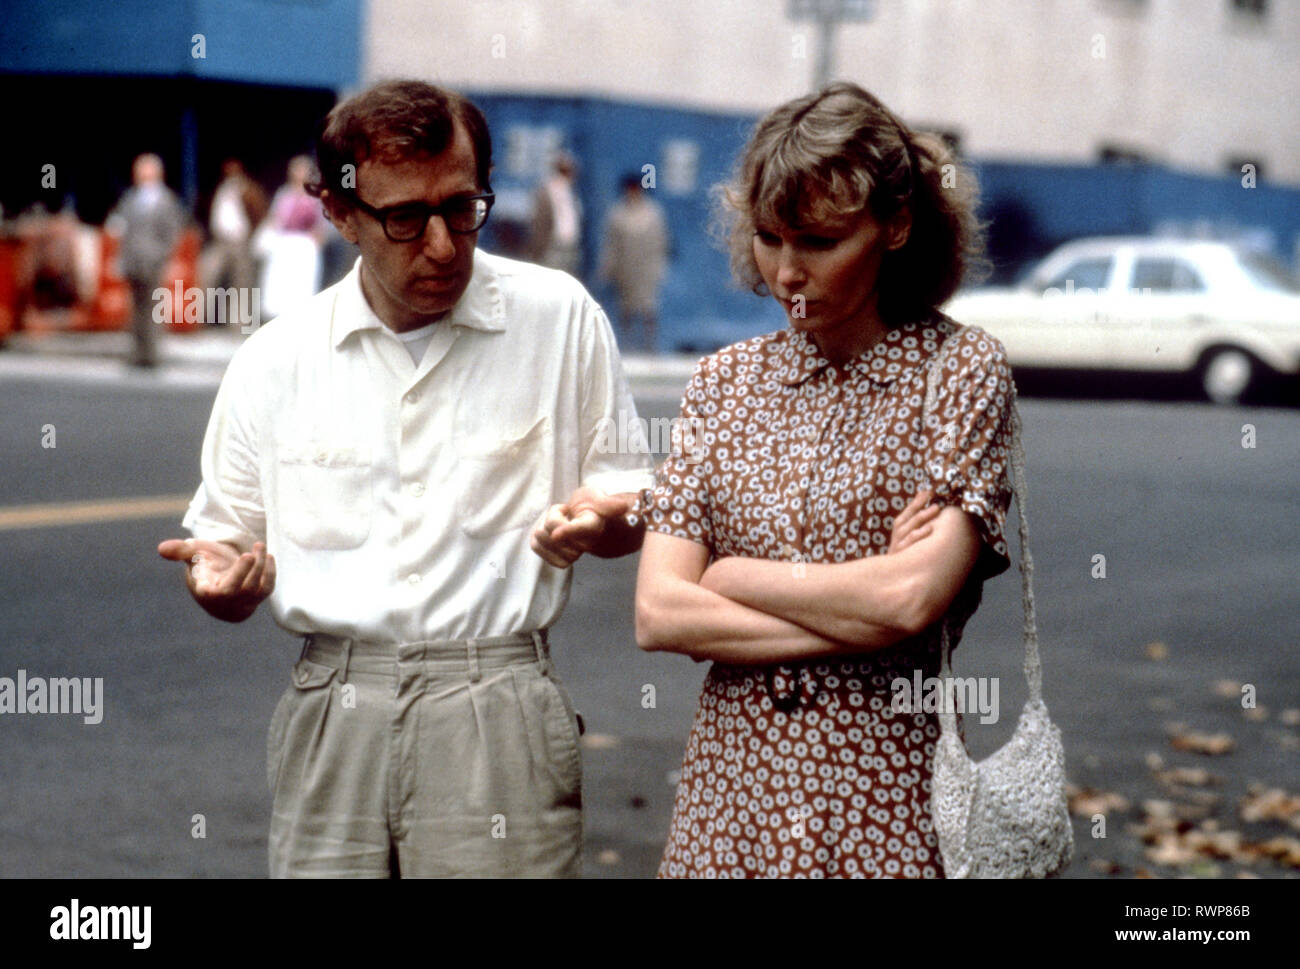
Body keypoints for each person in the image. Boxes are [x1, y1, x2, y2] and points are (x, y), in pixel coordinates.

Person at [157, 80, 655, 878]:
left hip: (497, 703)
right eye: (403, 217)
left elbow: (630, 494)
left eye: (462, 208)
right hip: (334, 705)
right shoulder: (276, 360)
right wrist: (222, 584)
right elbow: (222, 541)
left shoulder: (559, 319)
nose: (442, 245)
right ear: (338, 213)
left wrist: (612, 521)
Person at [634, 81, 1013, 878]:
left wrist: (732, 575)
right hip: (729, 801)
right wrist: (865, 608)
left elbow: (911, 600)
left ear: (897, 225)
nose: (788, 270)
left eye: (819, 240)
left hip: (887, 798)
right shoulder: (722, 381)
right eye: (770, 237)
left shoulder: (959, 371)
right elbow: (661, 610)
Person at [106, 154, 186, 367]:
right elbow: (123, 231)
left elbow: (172, 233)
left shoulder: (166, 200)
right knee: (136, 308)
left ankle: (152, 354)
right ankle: (137, 352)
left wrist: (162, 256)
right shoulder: (131, 198)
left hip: (154, 262)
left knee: (153, 309)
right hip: (133, 261)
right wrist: (120, 260)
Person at [598, 174, 669, 353]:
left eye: (635, 189)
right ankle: (625, 345)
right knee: (626, 309)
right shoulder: (617, 213)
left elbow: (661, 242)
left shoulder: (653, 213)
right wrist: (607, 267)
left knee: (648, 309)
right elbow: (611, 244)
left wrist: (659, 267)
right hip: (626, 269)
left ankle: (650, 346)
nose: (632, 193)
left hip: (647, 269)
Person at [256, 155, 327, 318]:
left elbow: (322, 220)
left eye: (302, 170)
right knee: (281, 283)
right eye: (296, 170)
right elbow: (275, 218)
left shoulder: (316, 194)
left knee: (303, 283)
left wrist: (319, 237)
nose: (299, 173)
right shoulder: (283, 194)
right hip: (284, 243)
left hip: (306, 244)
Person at [201, 159, 268, 308]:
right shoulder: (221, 188)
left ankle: (239, 322)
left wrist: (251, 235)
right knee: (207, 274)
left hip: (240, 241)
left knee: (242, 281)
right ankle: (200, 317)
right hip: (220, 241)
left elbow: (259, 213)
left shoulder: (249, 189)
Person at [529, 152, 583, 275]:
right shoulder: (546, 191)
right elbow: (539, 222)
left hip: (570, 246)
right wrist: (539, 248)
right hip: (552, 245)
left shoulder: (571, 192)